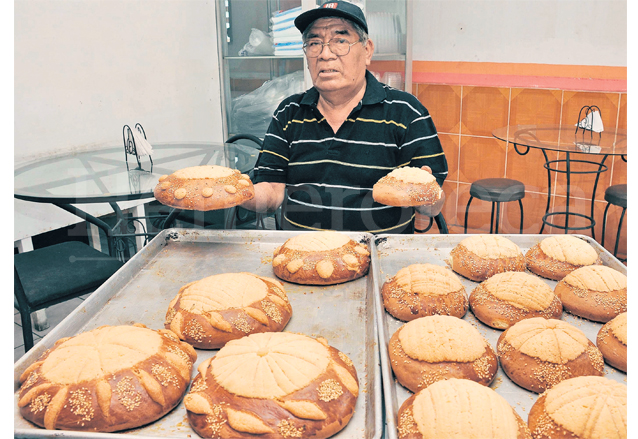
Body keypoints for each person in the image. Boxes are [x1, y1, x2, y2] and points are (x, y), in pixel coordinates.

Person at [241, 0, 447, 233]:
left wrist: (427, 193)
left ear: (367, 50)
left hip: (378, 257)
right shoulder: (289, 112)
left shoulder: (406, 111)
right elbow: (271, 190)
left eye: (340, 41)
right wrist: (234, 192)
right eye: (314, 43)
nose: (325, 54)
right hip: (301, 257)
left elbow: (433, 208)